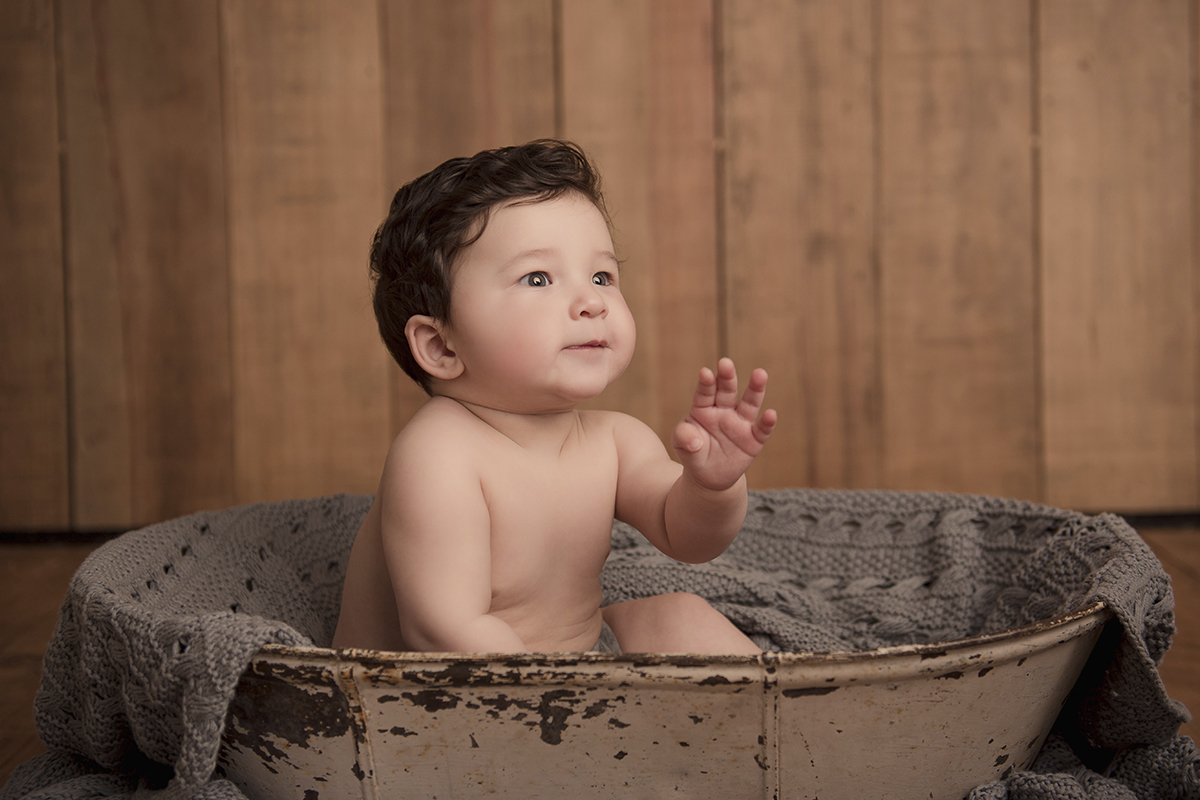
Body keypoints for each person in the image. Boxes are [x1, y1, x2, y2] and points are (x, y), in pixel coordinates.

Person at [332, 139, 776, 655]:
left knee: (681, 616)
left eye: (602, 276)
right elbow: (444, 631)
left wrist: (711, 487)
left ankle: (786, 706)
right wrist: (571, 698)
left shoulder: (615, 440)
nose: (592, 301)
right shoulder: (438, 455)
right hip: (438, 687)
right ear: (441, 345)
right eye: (538, 278)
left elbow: (689, 539)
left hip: (576, 664)